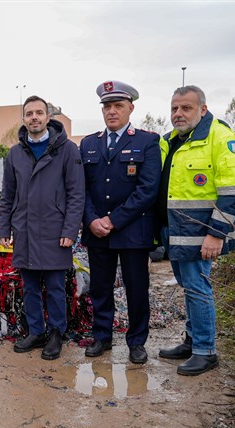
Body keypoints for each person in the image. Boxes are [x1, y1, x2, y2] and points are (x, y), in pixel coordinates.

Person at [157, 86, 235, 375]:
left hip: (203, 232)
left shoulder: (221, 138)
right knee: (189, 287)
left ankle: (206, 350)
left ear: (202, 109)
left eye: (186, 108)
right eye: (174, 108)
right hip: (177, 230)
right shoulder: (170, 141)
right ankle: (192, 339)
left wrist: (216, 233)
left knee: (198, 288)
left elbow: (234, 192)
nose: (178, 114)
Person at [80, 81, 162, 364]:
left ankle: (137, 341)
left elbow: (148, 189)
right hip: (96, 232)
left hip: (132, 230)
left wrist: (112, 220)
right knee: (100, 288)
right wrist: (91, 219)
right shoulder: (89, 144)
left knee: (136, 288)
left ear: (131, 108)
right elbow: (83, 189)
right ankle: (101, 336)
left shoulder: (147, 141)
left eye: (118, 106)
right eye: (107, 106)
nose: (112, 111)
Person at [0, 95, 85, 360]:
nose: (34, 117)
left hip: (54, 232)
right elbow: (7, 195)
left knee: (56, 287)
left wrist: (70, 230)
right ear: (23, 119)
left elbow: (76, 194)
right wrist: (4, 229)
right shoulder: (15, 154)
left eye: (39, 113)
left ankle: (56, 333)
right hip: (24, 231)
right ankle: (36, 331)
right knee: (30, 287)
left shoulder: (67, 150)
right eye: (29, 113)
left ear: (48, 117)